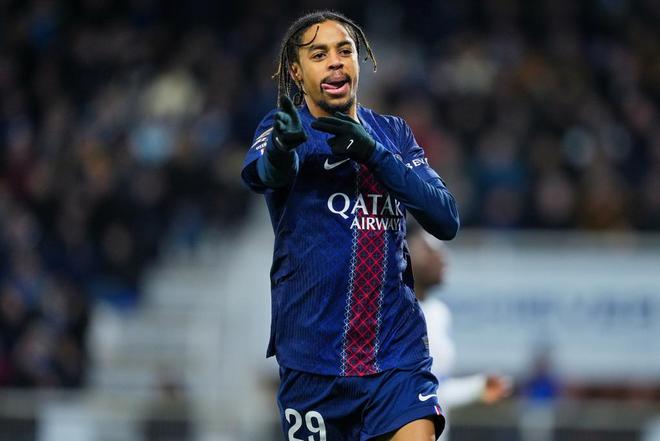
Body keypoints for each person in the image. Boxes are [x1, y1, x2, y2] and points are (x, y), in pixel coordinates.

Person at [241, 10, 460, 441]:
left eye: (345, 51)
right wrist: (283, 149)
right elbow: (264, 174)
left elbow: (445, 218)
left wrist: (374, 154)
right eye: (318, 54)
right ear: (296, 72)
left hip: (396, 357)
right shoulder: (283, 130)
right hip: (313, 364)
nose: (335, 62)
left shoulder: (393, 134)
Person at [406, 223, 512, 440]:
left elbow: (435, 389)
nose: (441, 256)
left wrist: (477, 387)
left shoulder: (439, 314)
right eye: (428, 248)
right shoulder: (391, 314)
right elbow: (407, 391)